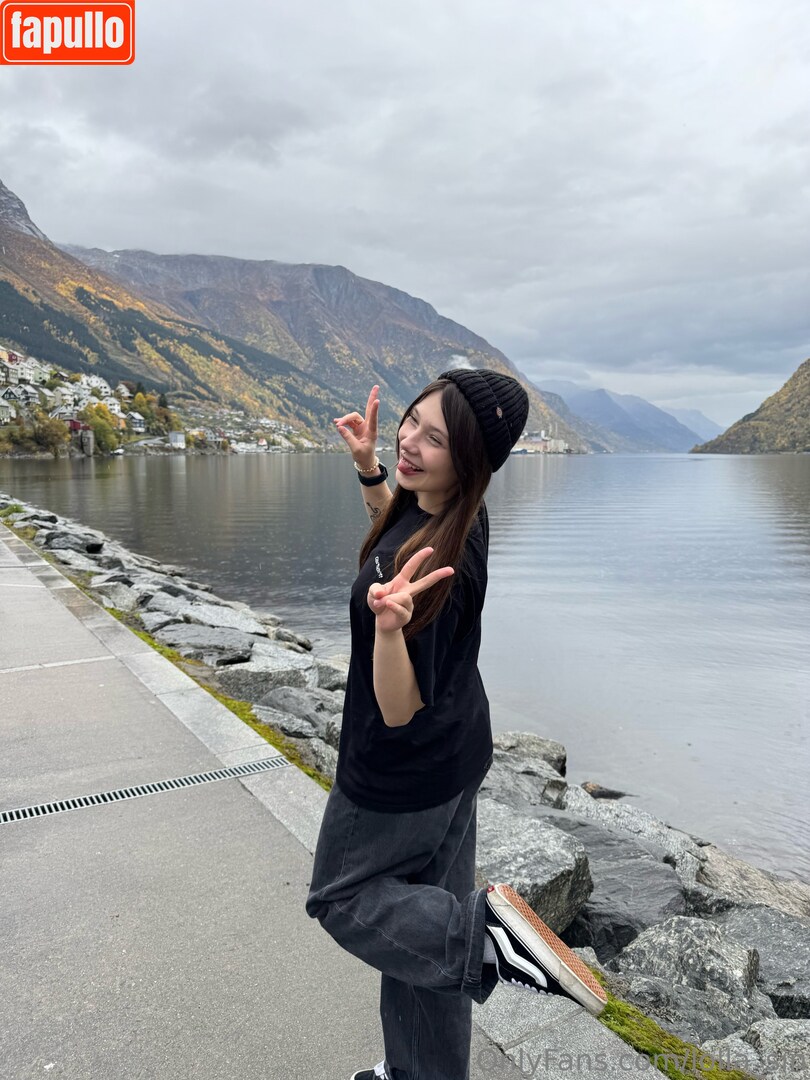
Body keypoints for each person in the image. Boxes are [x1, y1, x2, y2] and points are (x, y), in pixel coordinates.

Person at [305, 370, 607, 1080]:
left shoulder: (423, 563)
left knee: (344, 899)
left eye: (433, 438)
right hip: (456, 755)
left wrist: (387, 632)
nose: (409, 441)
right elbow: (396, 535)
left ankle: (486, 940)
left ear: (468, 460)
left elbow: (397, 708)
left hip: (397, 776)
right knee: (417, 935)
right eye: (412, 419)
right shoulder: (458, 516)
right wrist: (370, 470)